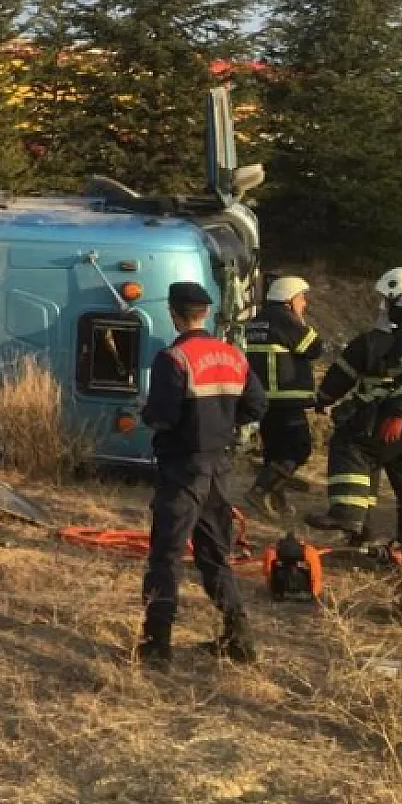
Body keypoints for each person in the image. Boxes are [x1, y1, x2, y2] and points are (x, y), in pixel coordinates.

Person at [137, 281, 267, 669]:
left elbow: (163, 416)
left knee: (167, 555)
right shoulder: (233, 355)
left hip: (183, 468)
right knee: (215, 553)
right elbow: (257, 405)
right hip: (219, 468)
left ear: (174, 314)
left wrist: (146, 411)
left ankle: (157, 644)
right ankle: (240, 637)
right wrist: (223, 425)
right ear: (207, 313)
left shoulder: (174, 358)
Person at [310, 267, 402, 559]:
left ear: (398, 298)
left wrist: (399, 413)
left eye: (387, 300)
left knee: (352, 446)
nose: (385, 306)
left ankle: (348, 515)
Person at [243, 276, 326, 518]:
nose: (305, 303)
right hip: (286, 399)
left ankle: (276, 499)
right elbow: (315, 348)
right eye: (301, 298)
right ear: (289, 299)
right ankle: (260, 490)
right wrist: (300, 320)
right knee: (299, 449)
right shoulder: (285, 320)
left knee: (275, 452)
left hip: (264, 399)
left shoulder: (257, 321)